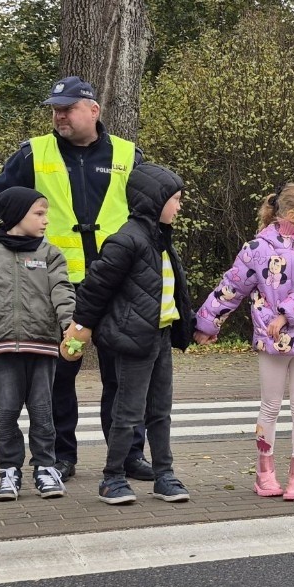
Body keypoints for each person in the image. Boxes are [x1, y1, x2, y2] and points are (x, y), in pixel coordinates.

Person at [0, 76, 150, 483]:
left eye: (68, 107)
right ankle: (60, 456)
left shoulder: (129, 155)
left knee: (123, 374)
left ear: (93, 110)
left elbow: (151, 210)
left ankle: (128, 454)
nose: (58, 114)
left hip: (118, 283)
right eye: (55, 108)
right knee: (60, 374)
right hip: (59, 285)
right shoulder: (33, 154)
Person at [193, 182, 294, 501]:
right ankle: (264, 473)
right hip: (272, 342)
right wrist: (208, 323)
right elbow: (232, 286)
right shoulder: (257, 249)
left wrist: (286, 313)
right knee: (270, 406)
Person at [64, 164, 195, 505]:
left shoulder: (161, 240)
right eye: (175, 199)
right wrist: (79, 331)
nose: (179, 206)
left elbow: (173, 290)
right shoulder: (127, 239)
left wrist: (191, 326)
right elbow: (95, 289)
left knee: (160, 411)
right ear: (155, 200)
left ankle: (165, 476)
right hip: (132, 339)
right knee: (128, 412)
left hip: (160, 337)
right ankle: (112, 479)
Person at [0, 187, 75, 501]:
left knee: (43, 413)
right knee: (5, 414)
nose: (45, 220)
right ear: (16, 215)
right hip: (1, 348)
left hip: (42, 347)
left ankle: (45, 468)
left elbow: (63, 292)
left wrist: (70, 325)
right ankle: (8, 472)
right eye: (38, 213)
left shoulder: (50, 254)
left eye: (46, 213)